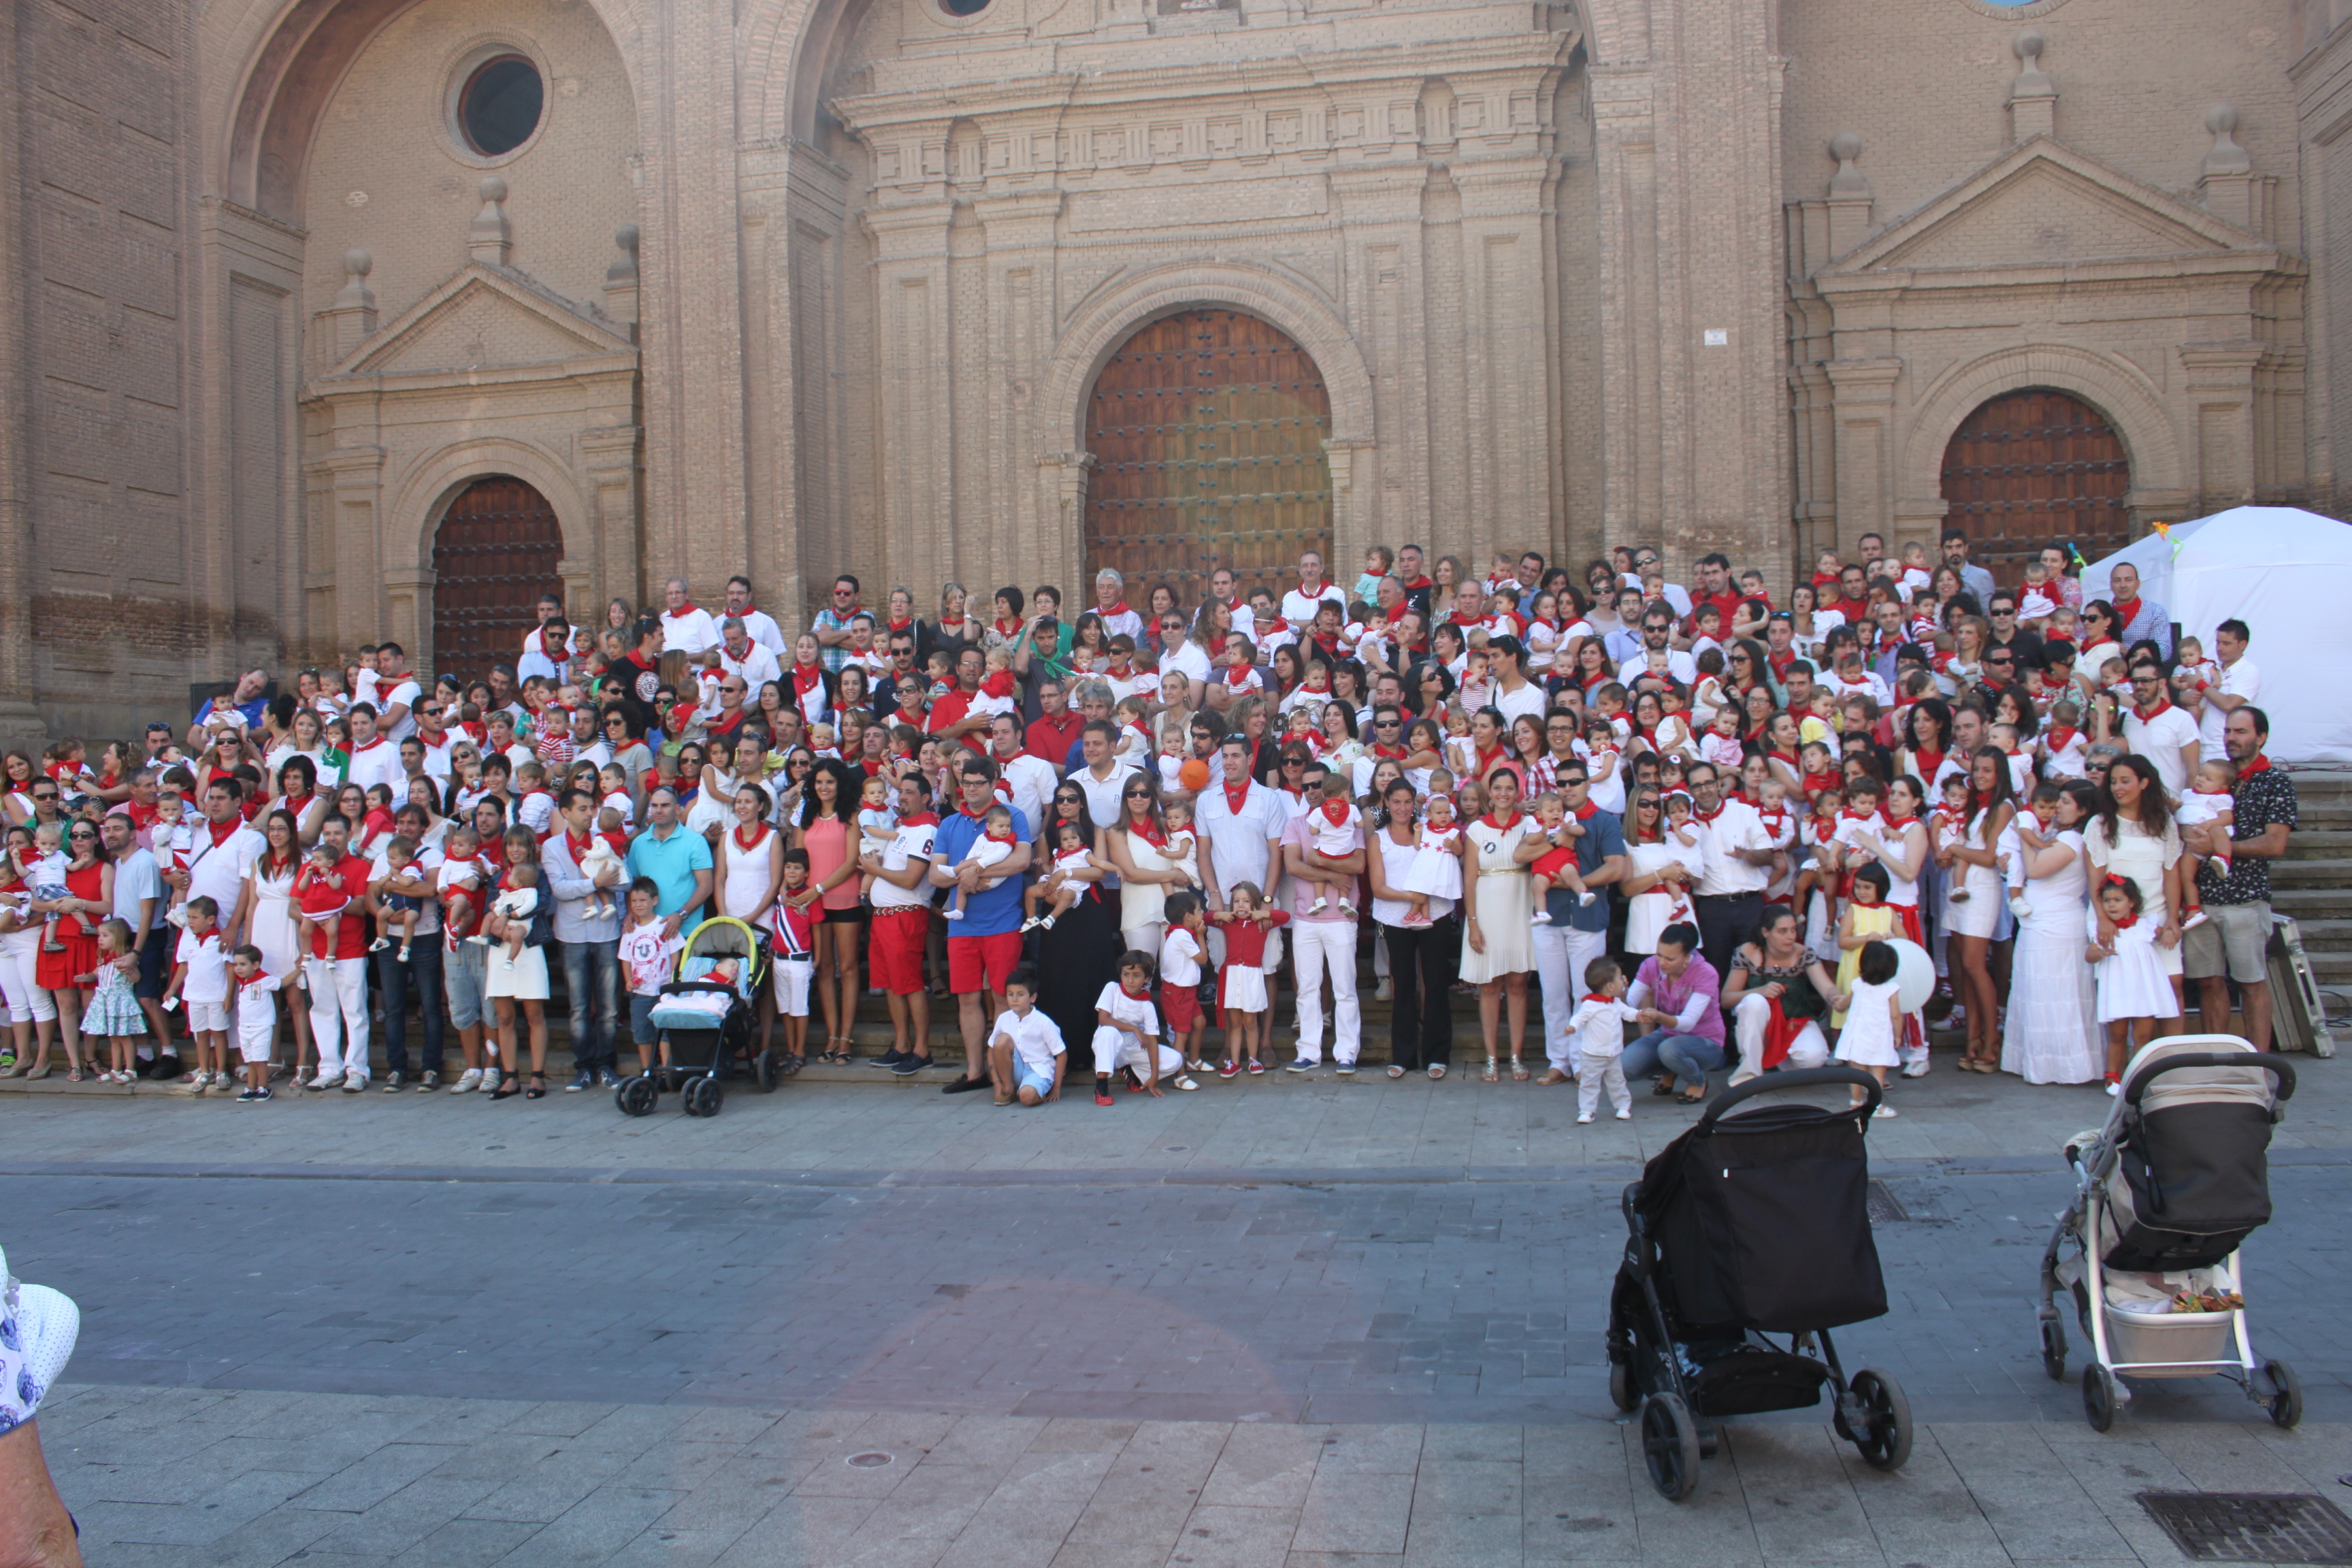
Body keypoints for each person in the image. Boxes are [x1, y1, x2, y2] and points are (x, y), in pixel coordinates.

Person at [2187, 706, 2296, 1049]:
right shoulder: (2215, 777)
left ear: (2261, 738)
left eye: (2242, 732)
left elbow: (2276, 843)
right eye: (2229, 731)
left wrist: (2223, 846)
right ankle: (2215, 1060)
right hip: (2203, 900)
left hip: (2245, 900)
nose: (2232, 738)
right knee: (2208, 983)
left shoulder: (2275, 782)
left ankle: (2258, 1069)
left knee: (2251, 984)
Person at [2001, 781, 2104, 1084]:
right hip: (2042, 922)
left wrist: (2021, 834)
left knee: (2055, 996)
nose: (2058, 806)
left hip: (2056, 928)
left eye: (2066, 802)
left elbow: (2034, 869)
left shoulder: (2073, 839)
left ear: (2083, 810)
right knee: (2037, 993)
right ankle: (2043, 1063)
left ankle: (2060, 1066)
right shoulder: (2059, 836)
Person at [1365, 777, 1455, 1079]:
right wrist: (1412, 897)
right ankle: (1403, 1056)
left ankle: (1437, 1055)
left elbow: (1450, 861)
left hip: (1437, 912)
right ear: (1387, 804)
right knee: (1402, 985)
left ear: (1415, 802)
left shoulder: (1431, 830)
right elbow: (1378, 887)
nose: (1402, 808)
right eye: (1396, 802)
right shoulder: (1378, 839)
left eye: (1407, 801)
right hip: (1395, 917)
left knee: (1436, 982)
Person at [1281, 761, 1364, 1073]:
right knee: (1307, 988)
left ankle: (1347, 1053)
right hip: (1306, 917)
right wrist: (1331, 876)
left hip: (1341, 919)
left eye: (1318, 785)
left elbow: (1358, 865)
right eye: (1307, 786)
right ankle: (1309, 1051)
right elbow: (1293, 865)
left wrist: (1317, 862)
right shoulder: (1296, 824)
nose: (1313, 791)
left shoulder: (1349, 822)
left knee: (1345, 988)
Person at [1459, 766, 1535, 1081]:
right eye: (1498, 788)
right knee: (1490, 986)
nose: (1503, 794)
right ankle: (1492, 1058)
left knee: (1518, 985)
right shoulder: (1477, 829)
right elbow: (1470, 880)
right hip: (1487, 913)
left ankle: (1516, 1056)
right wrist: (1473, 923)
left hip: (1521, 908)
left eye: (1509, 788)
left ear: (1517, 793)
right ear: (1489, 793)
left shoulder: (1529, 826)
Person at [1723, 904, 1840, 1081]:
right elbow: (1726, 999)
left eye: (1794, 930)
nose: (1791, 937)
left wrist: (1838, 998)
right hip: (1762, 1028)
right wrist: (1759, 991)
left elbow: (1826, 987)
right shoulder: (1747, 952)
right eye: (1783, 931)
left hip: (1794, 1022)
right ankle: (1749, 1075)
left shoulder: (1804, 954)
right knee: (1754, 1001)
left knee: (1815, 1058)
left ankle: (1779, 1061)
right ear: (1766, 932)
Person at [2087, 872, 2180, 1094]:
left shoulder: (2146, 925)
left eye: (2118, 900)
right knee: (2117, 1035)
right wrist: (2099, 953)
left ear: (2132, 902)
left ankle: (2139, 1075)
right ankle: (2112, 1077)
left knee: (2143, 1036)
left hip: (2143, 989)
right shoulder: (2102, 931)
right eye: (2107, 901)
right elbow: (2089, 956)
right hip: (2118, 989)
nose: (2112, 905)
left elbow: (2166, 935)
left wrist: (2168, 934)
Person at [1618, 922, 1725, 1103]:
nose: (1662, 962)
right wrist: (1619, 995)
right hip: (1668, 1036)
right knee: (1623, 1067)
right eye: (1659, 955)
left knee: (1670, 1049)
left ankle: (1697, 1081)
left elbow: (1688, 1023)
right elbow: (1629, 1003)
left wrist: (1658, 1016)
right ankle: (1671, 1070)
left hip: (1705, 1041)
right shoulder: (1650, 965)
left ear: (1687, 957)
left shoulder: (1706, 973)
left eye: (1670, 959)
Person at [1090, 949, 1194, 1102]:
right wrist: (1134, 1028)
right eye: (1126, 974)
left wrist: (1154, 1076)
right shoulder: (1112, 988)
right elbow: (1104, 1020)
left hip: (1133, 1047)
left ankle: (1132, 1072)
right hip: (1111, 1048)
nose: (1130, 980)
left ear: (1147, 979)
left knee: (1176, 1059)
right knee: (1108, 1032)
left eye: (1137, 976)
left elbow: (1152, 1041)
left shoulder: (1147, 1005)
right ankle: (1101, 1086)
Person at [617, 877, 682, 1080]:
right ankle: (647, 1071)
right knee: (642, 1033)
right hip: (640, 991)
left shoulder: (663, 925)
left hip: (663, 990)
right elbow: (625, 959)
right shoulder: (630, 931)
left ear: (654, 901)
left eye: (642, 900)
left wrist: (672, 978)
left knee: (665, 1032)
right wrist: (628, 980)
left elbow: (675, 953)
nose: (637, 905)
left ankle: (666, 1071)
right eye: (634, 901)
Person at [1566, 956, 1639, 1124]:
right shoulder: (1590, 1005)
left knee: (1617, 1082)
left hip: (1613, 1053)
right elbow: (1579, 1018)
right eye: (1621, 978)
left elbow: (1628, 1013)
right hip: (1592, 1054)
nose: (1624, 980)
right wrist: (1573, 1026)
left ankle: (1623, 1106)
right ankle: (1587, 1110)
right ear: (1611, 986)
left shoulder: (1617, 1003)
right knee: (1589, 1083)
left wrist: (1639, 1015)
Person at [1835, 939, 1904, 1117]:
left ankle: (1855, 1103)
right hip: (1879, 1037)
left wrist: (1839, 1005)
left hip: (1857, 1035)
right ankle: (1875, 1106)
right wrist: (1898, 1035)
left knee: (1857, 1072)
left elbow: (1846, 1002)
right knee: (1877, 1074)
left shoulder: (1858, 984)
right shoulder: (1891, 989)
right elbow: (1896, 1015)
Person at [988, 970, 1065, 1107]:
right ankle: (1008, 1089)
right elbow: (991, 1051)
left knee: (1027, 1098)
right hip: (1013, 1068)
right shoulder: (1003, 1019)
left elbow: (1062, 1054)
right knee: (1001, 1040)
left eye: (1021, 995)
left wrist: (1056, 1088)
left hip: (1038, 1070)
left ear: (1033, 998)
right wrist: (997, 1083)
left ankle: (1034, 1092)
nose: (1014, 999)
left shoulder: (1044, 1022)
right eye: (1010, 994)